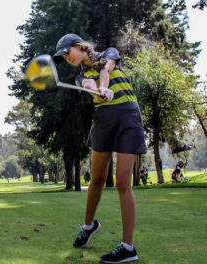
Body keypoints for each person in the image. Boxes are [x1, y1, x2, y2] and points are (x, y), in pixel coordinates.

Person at [53, 33, 146, 263]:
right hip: (103, 118)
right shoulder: (81, 76)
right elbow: (88, 84)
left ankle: (128, 247)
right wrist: (99, 92)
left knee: (124, 182)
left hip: (127, 114)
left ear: (78, 46)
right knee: (96, 179)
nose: (67, 59)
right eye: (63, 58)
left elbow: (106, 69)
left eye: (67, 53)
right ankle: (88, 226)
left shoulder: (109, 53)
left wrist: (106, 87)